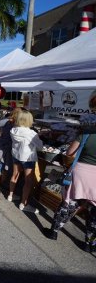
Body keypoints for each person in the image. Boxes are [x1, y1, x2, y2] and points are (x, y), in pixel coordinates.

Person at [44, 103, 96, 252]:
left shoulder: (86, 132)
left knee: (69, 204)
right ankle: (89, 244)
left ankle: (54, 231)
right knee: (94, 213)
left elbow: (70, 153)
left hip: (81, 172)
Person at [7, 109, 42, 213]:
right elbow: (40, 146)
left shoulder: (13, 130)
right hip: (27, 158)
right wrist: (39, 137)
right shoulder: (31, 133)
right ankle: (23, 203)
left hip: (16, 155)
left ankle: (10, 195)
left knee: (14, 175)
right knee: (28, 181)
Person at [0, 108, 22, 193]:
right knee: (2, 166)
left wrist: (0, 134)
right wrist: (0, 134)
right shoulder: (13, 123)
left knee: (3, 166)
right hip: (6, 147)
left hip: (5, 147)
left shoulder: (14, 122)